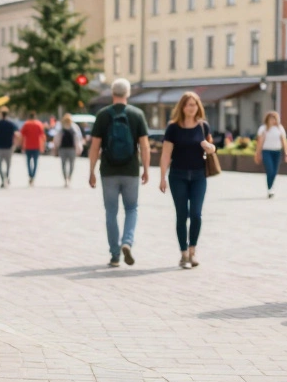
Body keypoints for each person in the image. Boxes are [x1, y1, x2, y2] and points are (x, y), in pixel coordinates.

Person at [88, 78, 150, 267]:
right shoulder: (137, 114)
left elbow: (95, 146)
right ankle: (127, 242)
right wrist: (146, 168)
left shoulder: (103, 115)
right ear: (128, 93)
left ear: (112, 93)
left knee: (111, 213)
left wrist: (91, 171)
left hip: (108, 171)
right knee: (131, 209)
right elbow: (145, 146)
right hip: (131, 170)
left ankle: (115, 255)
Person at [158, 92, 216, 269]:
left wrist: (209, 147)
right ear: (182, 107)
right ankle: (183, 253)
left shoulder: (203, 126)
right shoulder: (173, 128)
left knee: (196, 215)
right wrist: (162, 177)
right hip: (178, 176)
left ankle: (193, 250)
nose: (192, 108)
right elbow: (166, 154)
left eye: (195, 104)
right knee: (182, 215)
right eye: (189, 104)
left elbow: (213, 148)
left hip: (199, 175)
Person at [255, 111, 287, 198]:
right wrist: (257, 153)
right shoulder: (263, 129)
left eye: (274, 119)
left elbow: (284, 141)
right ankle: (270, 188)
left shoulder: (279, 128)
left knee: (274, 171)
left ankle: (271, 187)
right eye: (271, 119)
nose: (273, 120)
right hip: (266, 151)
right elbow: (260, 142)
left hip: (277, 152)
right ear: (267, 119)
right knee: (270, 169)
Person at [55, 113, 83, 188]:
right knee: (64, 164)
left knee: (71, 164)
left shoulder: (74, 127)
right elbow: (57, 137)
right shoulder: (61, 127)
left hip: (71, 148)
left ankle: (68, 178)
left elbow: (78, 138)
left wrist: (79, 147)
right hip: (64, 148)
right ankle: (66, 178)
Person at [19, 111, 46, 187]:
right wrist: (42, 146)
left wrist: (21, 145)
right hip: (36, 146)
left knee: (28, 162)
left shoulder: (26, 124)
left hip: (28, 146)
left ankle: (30, 175)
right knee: (35, 162)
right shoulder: (39, 124)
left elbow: (22, 135)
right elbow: (42, 136)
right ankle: (33, 176)